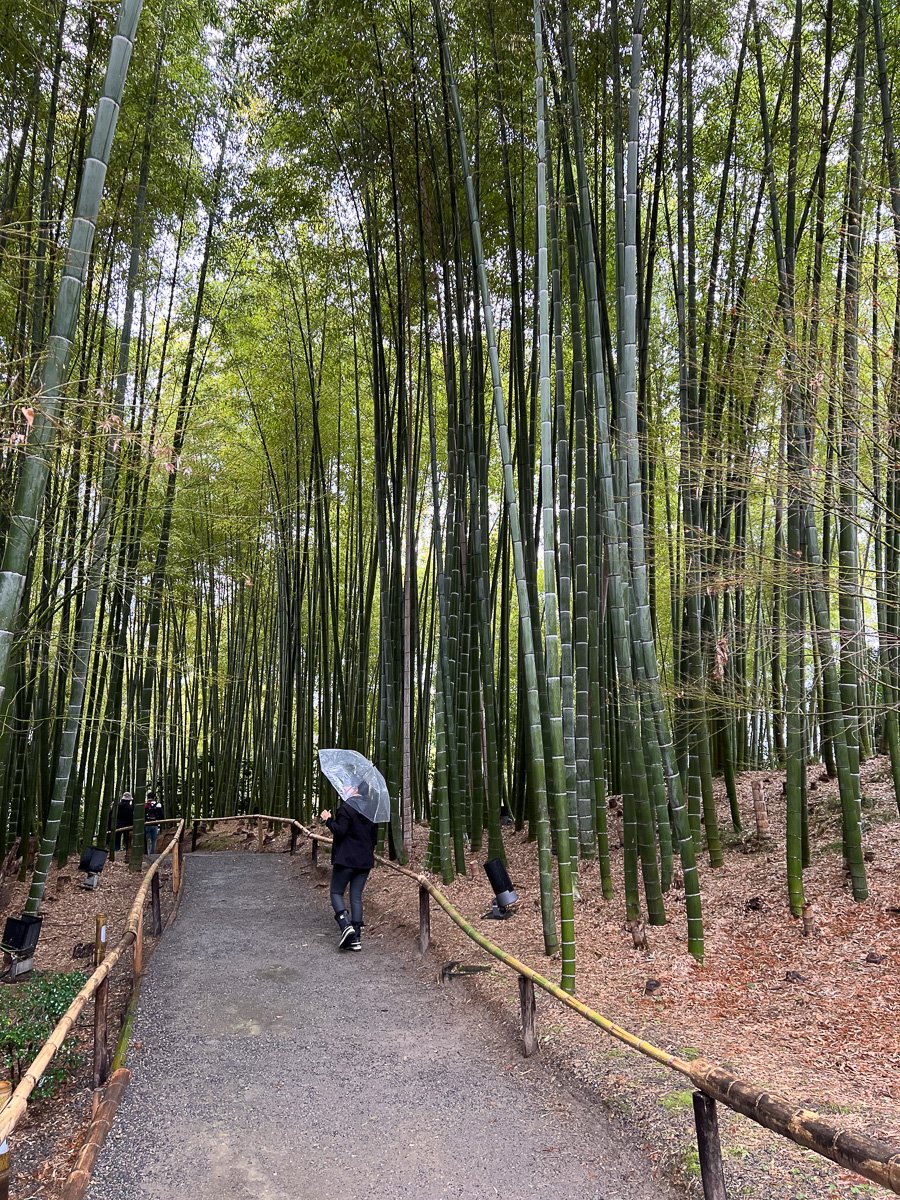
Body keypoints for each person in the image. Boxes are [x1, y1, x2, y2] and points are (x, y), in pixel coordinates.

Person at [320, 781, 377, 952]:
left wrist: (328, 819)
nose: (343, 789)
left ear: (356, 789)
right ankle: (356, 939)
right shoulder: (371, 810)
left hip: (346, 859)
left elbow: (340, 831)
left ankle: (346, 925)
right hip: (365, 860)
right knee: (356, 896)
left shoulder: (347, 807)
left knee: (336, 892)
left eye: (347, 786)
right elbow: (373, 839)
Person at [145, 790, 164, 855]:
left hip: (146, 824)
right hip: (155, 825)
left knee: (148, 840)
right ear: (154, 797)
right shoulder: (158, 805)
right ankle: (152, 854)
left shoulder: (145, 805)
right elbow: (161, 815)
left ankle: (148, 853)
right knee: (154, 840)